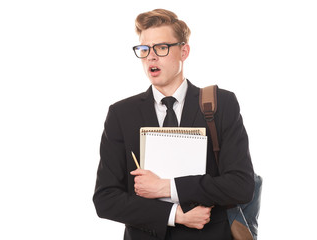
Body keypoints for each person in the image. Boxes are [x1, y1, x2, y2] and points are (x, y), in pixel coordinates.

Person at [93, 9, 255, 240]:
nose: (151, 57)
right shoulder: (121, 113)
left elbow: (241, 186)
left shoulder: (222, 104)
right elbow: (105, 199)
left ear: (184, 51)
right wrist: (175, 214)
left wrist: (168, 188)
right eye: (144, 49)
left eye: (161, 47)